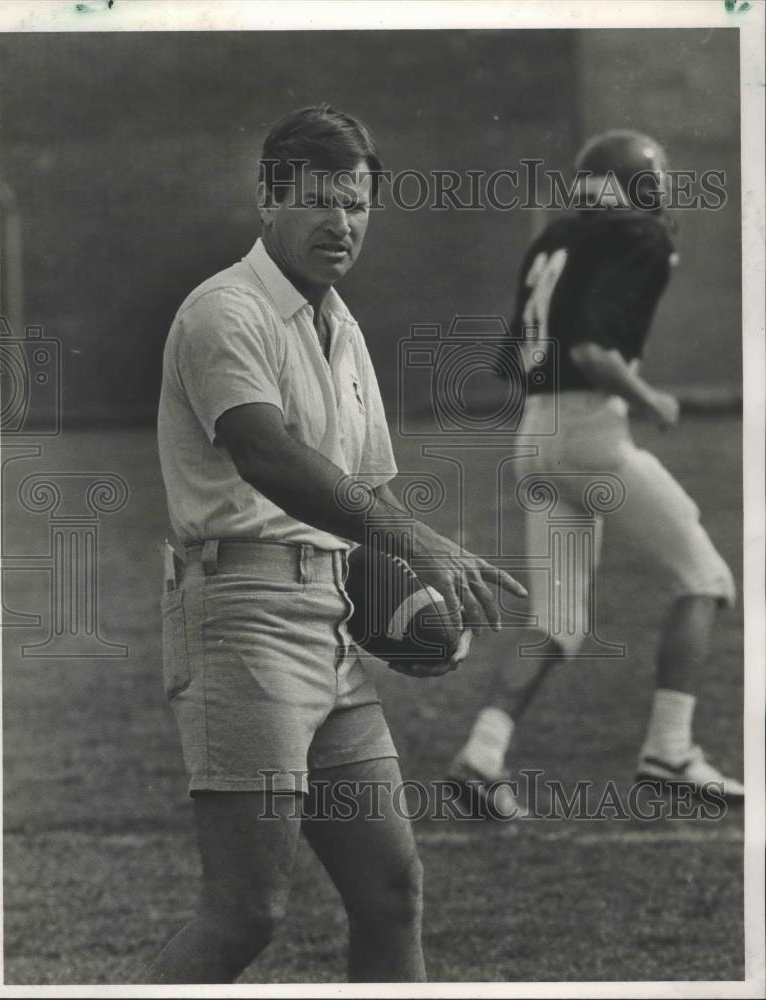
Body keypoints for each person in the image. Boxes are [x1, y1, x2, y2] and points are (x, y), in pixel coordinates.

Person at [149, 104, 526, 984]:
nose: (341, 223)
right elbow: (267, 453)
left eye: (356, 205)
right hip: (241, 618)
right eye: (318, 201)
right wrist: (414, 541)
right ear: (267, 198)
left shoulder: (341, 325)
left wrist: (420, 600)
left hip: (330, 621)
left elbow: (371, 487)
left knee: (391, 891)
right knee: (246, 912)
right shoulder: (223, 311)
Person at [448, 129, 743, 817]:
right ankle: (670, 750)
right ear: (640, 184)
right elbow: (591, 346)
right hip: (589, 432)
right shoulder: (636, 235)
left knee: (558, 621)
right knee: (705, 579)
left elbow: (515, 357)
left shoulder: (554, 236)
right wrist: (652, 400)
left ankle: (482, 754)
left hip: (535, 432)